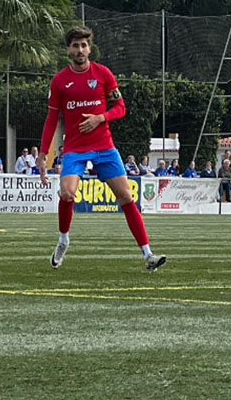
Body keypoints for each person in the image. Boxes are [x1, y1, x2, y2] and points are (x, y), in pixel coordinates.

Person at [36, 26, 165, 271]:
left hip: (104, 146)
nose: (80, 50)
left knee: (126, 197)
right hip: (75, 147)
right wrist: (43, 154)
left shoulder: (103, 74)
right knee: (67, 193)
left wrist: (100, 118)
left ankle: (148, 255)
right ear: (68, 50)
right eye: (75, 45)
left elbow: (121, 108)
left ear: (89, 48)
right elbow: (51, 119)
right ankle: (63, 239)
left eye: (84, 45)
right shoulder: (60, 81)